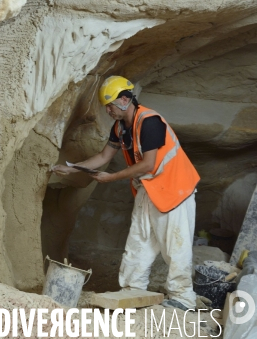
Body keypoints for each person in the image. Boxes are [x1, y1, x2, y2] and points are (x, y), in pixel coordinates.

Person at [52, 76, 200, 311]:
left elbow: (148, 164)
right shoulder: (120, 128)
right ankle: (132, 292)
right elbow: (103, 157)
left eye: (110, 105)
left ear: (124, 99)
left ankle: (183, 299)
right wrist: (71, 169)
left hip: (174, 190)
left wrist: (110, 178)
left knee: (175, 247)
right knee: (138, 243)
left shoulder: (150, 121)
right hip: (149, 189)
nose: (108, 110)